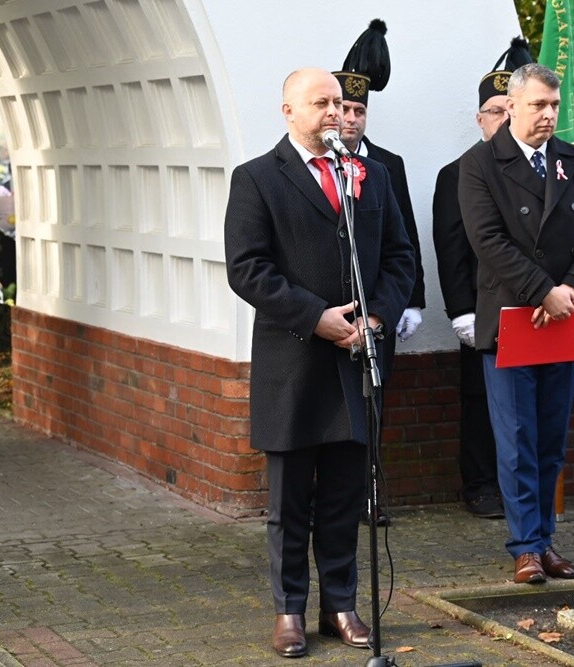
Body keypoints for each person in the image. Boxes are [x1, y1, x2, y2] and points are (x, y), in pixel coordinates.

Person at [224, 68, 414, 659]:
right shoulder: (256, 177)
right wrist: (316, 317)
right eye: (321, 102)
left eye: (340, 102)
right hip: (294, 362)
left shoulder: (372, 176)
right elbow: (247, 268)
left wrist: (375, 318)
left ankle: (340, 605)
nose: (335, 111)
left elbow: (401, 255)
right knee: (288, 502)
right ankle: (288, 611)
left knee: (342, 496)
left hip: (357, 361)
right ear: (288, 110)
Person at [459, 63, 574, 584]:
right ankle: (524, 546)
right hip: (512, 319)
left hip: (563, 315)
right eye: (538, 106)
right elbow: (488, 241)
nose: (548, 115)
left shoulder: (573, 160)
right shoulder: (480, 163)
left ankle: (545, 541)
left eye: (554, 106)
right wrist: (543, 290)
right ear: (512, 107)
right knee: (518, 437)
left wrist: (570, 289)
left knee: (551, 439)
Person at [431, 38, 532, 519]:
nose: (502, 119)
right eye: (494, 111)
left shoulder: (534, 170)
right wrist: (461, 311)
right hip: (482, 309)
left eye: (508, 110)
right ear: (480, 118)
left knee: (523, 405)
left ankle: (518, 489)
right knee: (479, 402)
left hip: (527, 306)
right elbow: (451, 250)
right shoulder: (457, 174)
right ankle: (479, 485)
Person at [334, 19, 426, 343]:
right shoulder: (315, 163)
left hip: (381, 308)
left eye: (359, 111)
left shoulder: (388, 164)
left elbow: (406, 238)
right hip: (332, 311)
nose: (351, 118)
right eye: (344, 109)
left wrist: (413, 300)